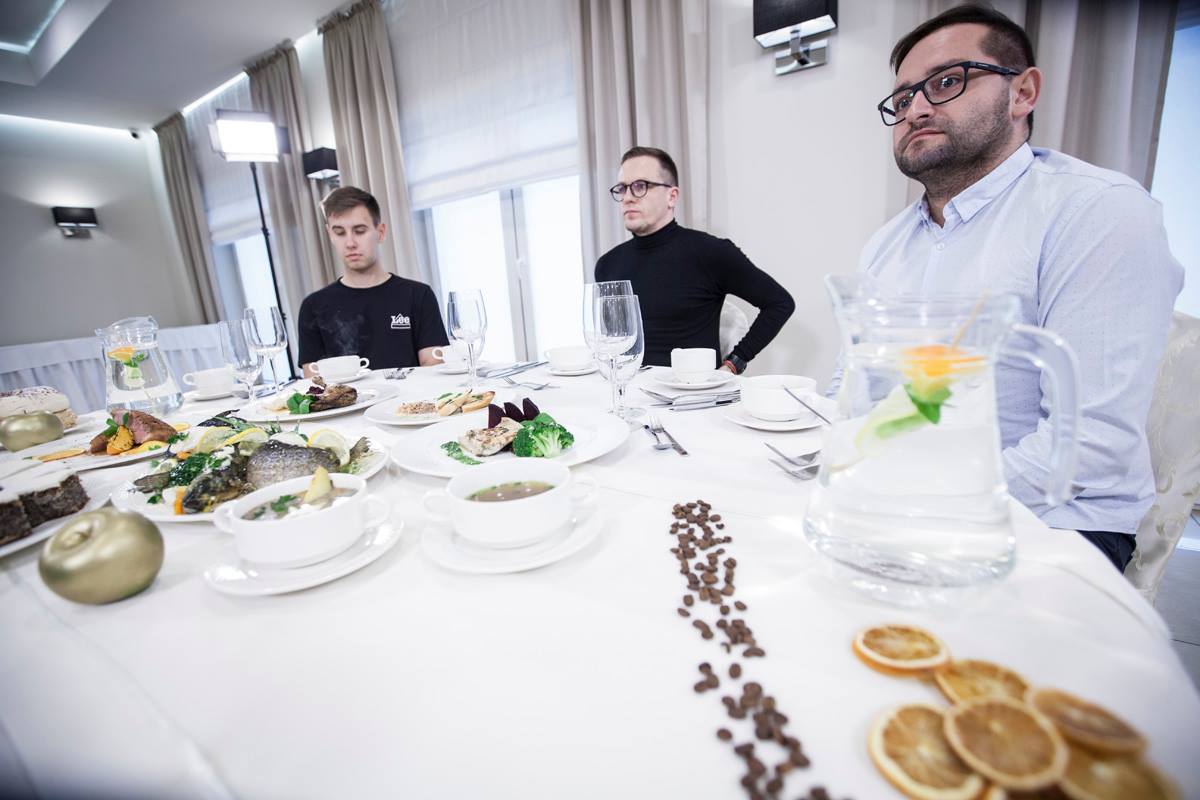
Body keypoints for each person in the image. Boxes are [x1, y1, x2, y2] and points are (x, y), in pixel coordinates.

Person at [842, 4, 1183, 570]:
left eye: (946, 82)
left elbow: (1088, 445)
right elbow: (854, 383)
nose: (916, 109)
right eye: (901, 100)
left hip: (1053, 521)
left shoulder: (1096, 212)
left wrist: (920, 502)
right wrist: (845, 464)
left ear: (1022, 93)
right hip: (903, 491)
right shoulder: (887, 243)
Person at [593, 146, 795, 373]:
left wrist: (734, 363)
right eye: (622, 188)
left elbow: (780, 303)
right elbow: (613, 344)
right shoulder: (607, 265)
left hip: (692, 391)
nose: (628, 198)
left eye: (640, 186)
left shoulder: (710, 252)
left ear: (671, 196)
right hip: (627, 389)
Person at [297, 187, 448, 375]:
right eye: (340, 233)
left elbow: (433, 367)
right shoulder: (313, 307)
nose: (350, 243)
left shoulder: (418, 295)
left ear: (381, 232)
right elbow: (314, 381)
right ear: (330, 235)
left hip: (411, 394)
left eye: (359, 231)